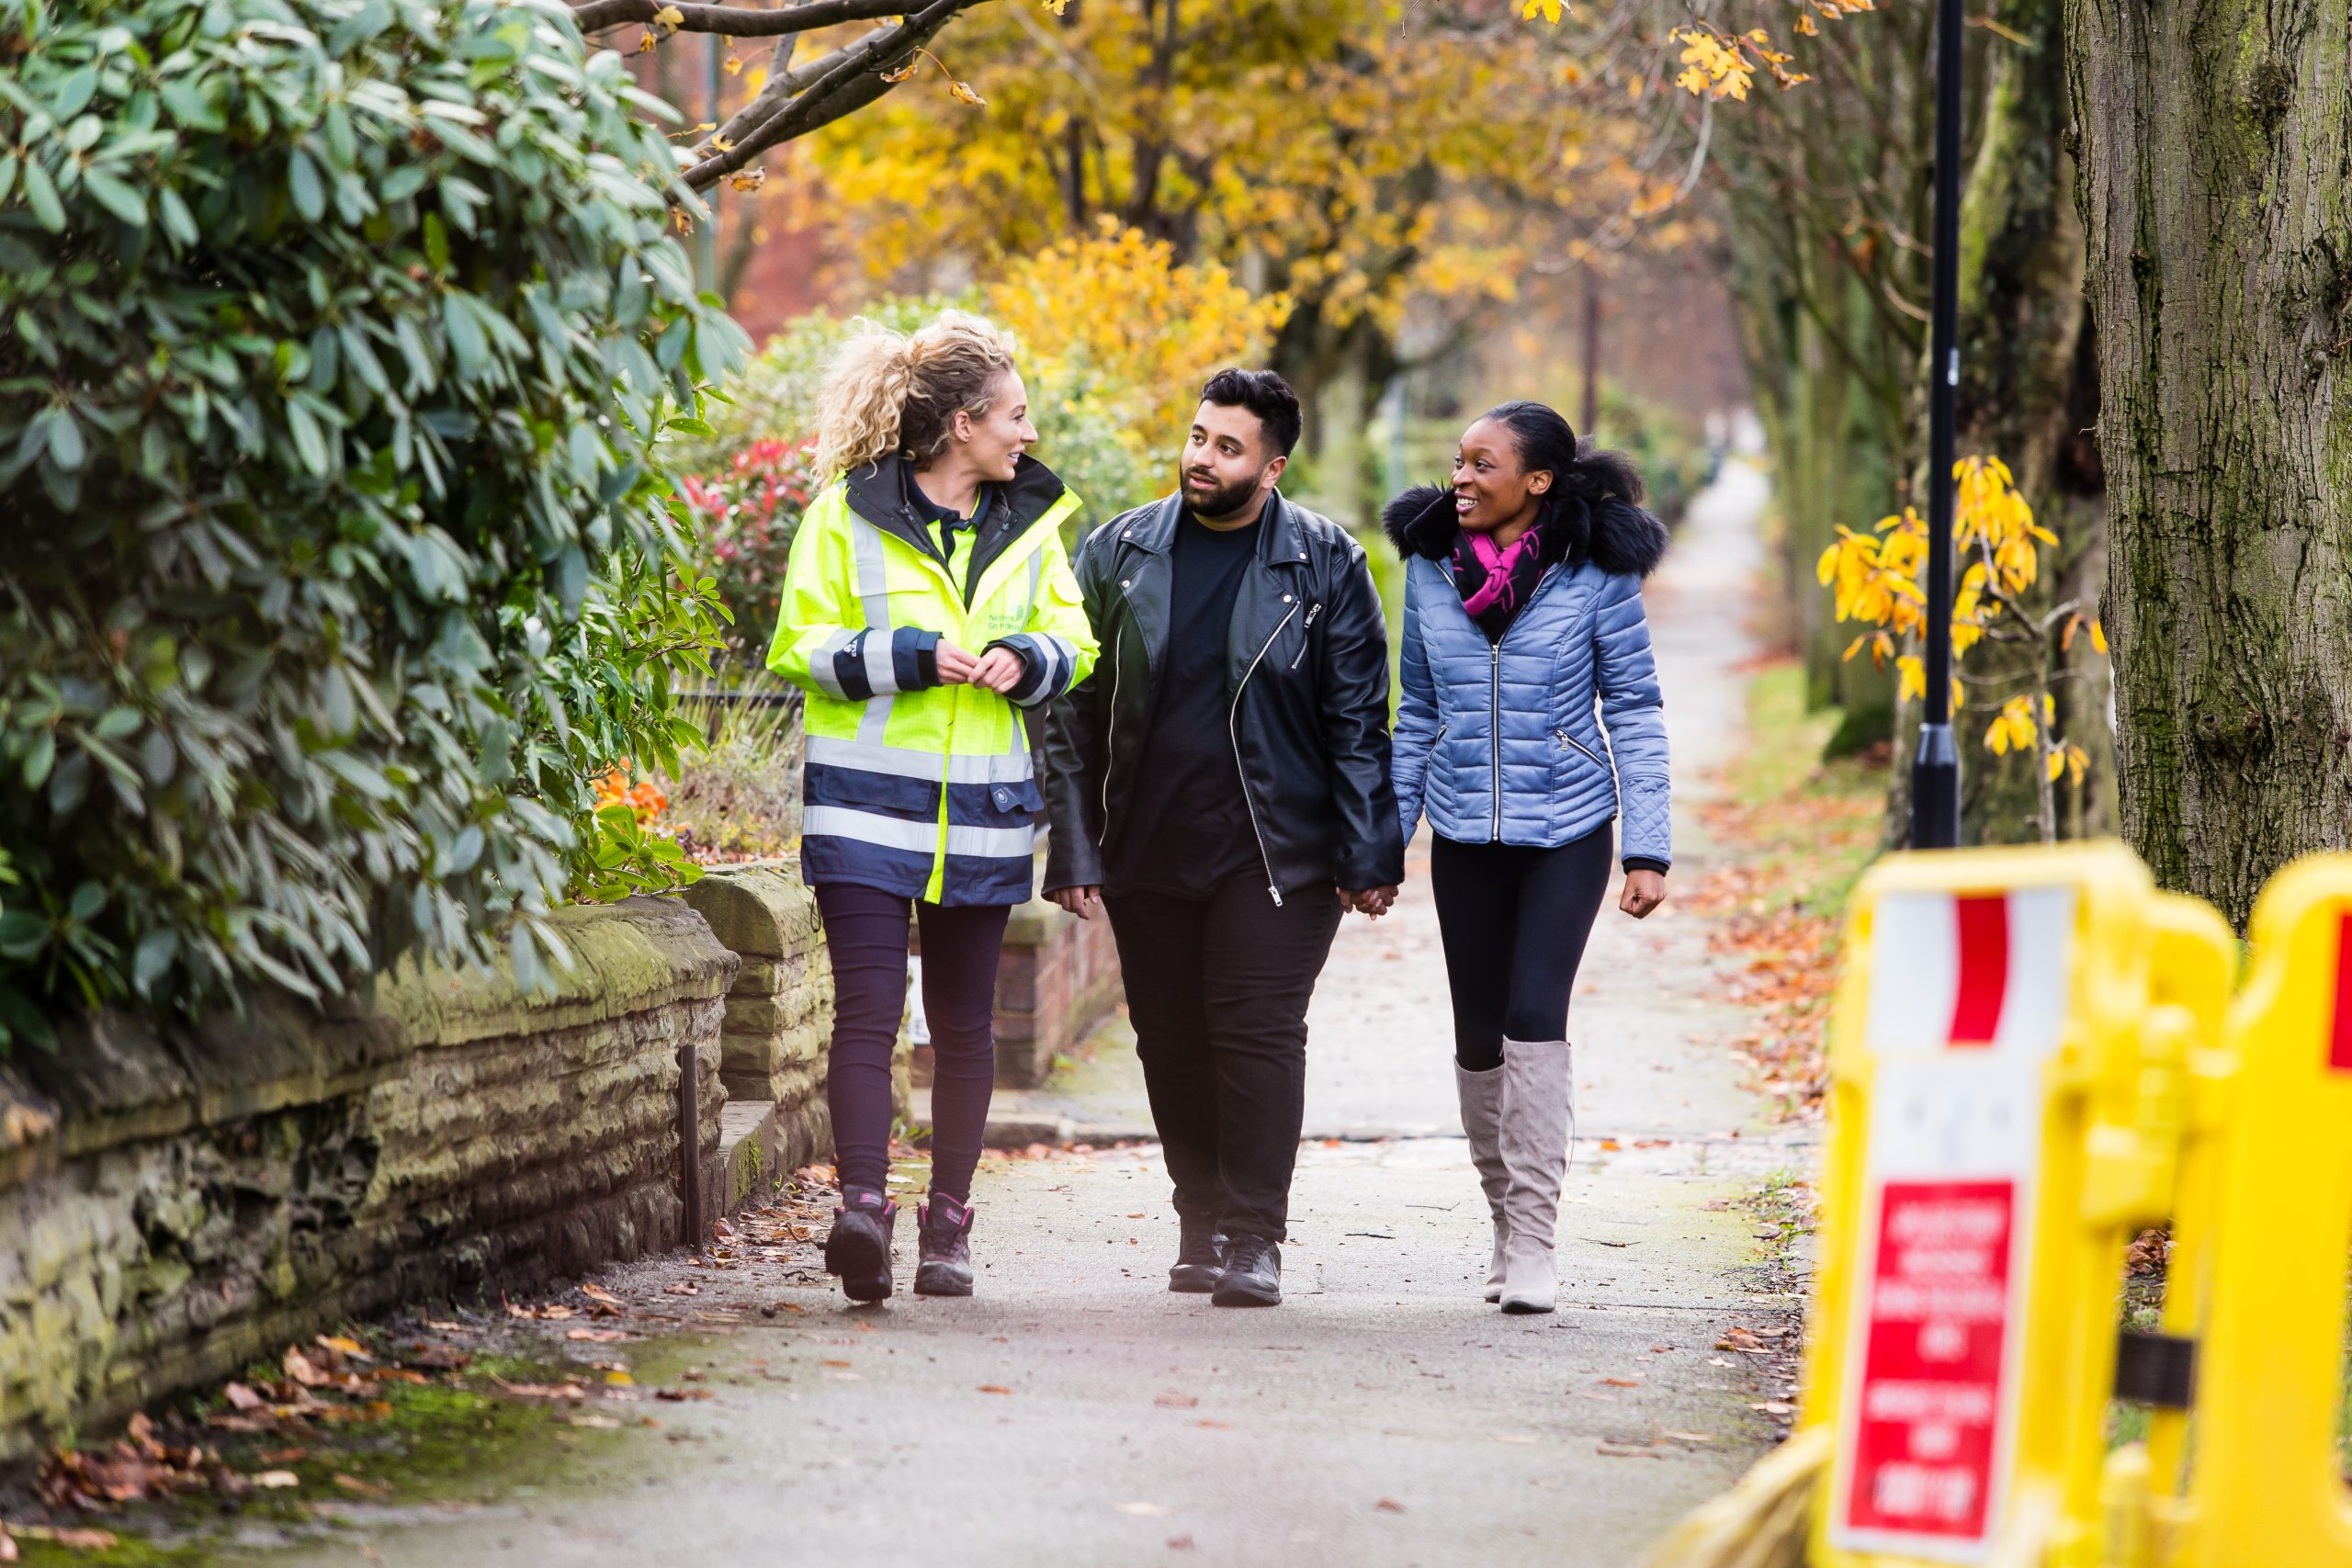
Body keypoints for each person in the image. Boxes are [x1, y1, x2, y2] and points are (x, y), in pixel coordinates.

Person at [1042, 368, 1403, 1309]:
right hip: (1148, 845)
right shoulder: (1119, 551)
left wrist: (1370, 852)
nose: (1200, 457)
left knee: (1255, 1033)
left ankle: (1252, 1238)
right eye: (1199, 437)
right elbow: (1070, 716)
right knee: (1168, 1038)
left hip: (1276, 849)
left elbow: (1359, 718)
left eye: (1227, 446)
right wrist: (1074, 845)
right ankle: (1198, 1217)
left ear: (1272, 466)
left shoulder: (1325, 562)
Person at [768, 311, 1097, 1303]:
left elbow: (1072, 642)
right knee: (867, 1014)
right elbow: (797, 644)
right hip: (865, 811)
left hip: (983, 813)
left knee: (963, 1024)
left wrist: (1026, 657)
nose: (1026, 434)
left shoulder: (1035, 527)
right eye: (1015, 416)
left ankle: (947, 1226)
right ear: (962, 424)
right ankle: (861, 1211)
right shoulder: (842, 514)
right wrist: (907, 656)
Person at [1382, 400, 1671, 1314]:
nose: (1458, 479)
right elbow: (1415, 714)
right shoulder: (1428, 572)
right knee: (1476, 1039)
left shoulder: (1596, 575)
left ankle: (1537, 1241)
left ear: (1535, 482)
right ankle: (1503, 1226)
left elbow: (1633, 707)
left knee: (1533, 1016)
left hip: (1568, 831)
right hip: (1462, 832)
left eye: (1481, 464)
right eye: (1456, 462)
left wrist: (1647, 847)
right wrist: (1385, 840)